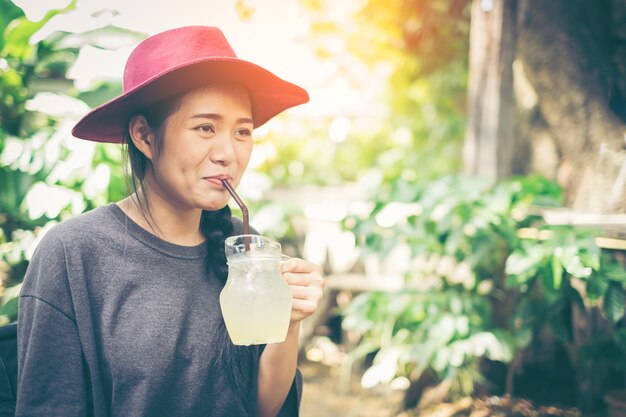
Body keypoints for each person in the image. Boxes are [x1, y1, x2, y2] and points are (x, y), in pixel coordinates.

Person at [16, 25, 325, 417]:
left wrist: (290, 319)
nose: (228, 153)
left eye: (242, 131)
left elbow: (261, 407)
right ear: (144, 136)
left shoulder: (241, 245)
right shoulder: (74, 253)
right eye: (205, 128)